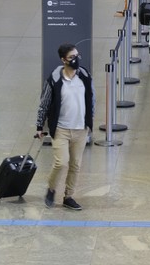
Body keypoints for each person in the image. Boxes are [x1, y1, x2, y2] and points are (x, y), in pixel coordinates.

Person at [36, 43, 95, 212]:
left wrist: (89, 123)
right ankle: (51, 188)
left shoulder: (84, 76)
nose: (76, 59)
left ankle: (68, 196)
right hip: (61, 129)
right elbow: (44, 103)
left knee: (75, 164)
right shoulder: (54, 79)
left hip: (80, 129)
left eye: (77, 55)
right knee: (61, 163)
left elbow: (91, 100)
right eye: (71, 57)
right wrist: (39, 126)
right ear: (63, 60)